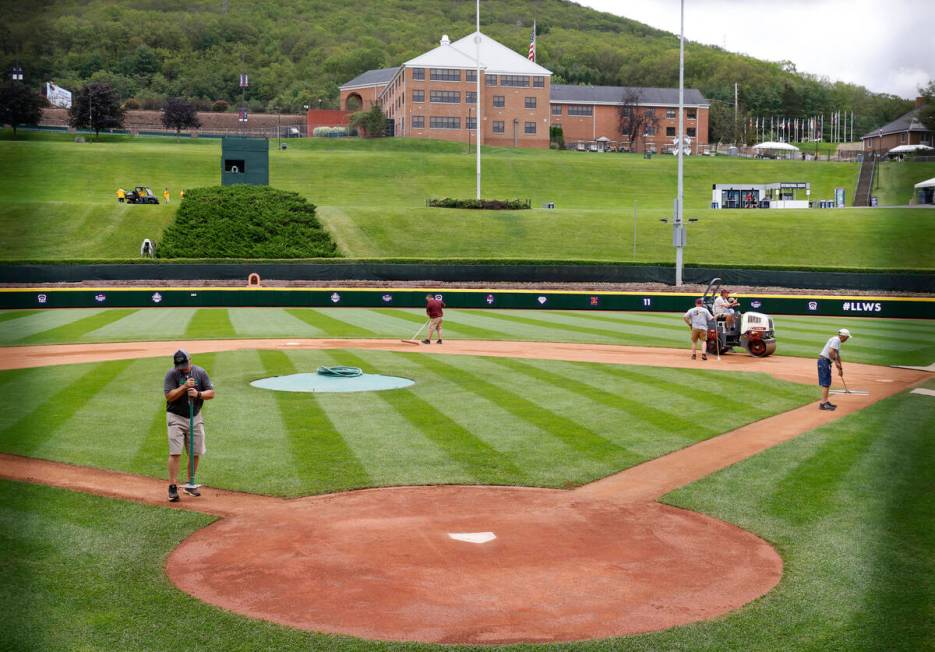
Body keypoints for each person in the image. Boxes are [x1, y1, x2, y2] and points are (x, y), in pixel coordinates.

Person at [164, 350, 214, 502]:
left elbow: (211, 393)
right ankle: (172, 486)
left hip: (195, 416)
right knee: (175, 452)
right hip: (176, 416)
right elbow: (169, 396)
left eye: (185, 364)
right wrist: (184, 387)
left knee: (195, 451)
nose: (183, 368)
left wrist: (198, 394)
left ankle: (190, 484)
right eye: (180, 365)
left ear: (190, 360)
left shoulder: (200, 372)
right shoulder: (171, 374)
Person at [817, 328, 850, 411]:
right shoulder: (836, 340)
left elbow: (837, 355)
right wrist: (835, 361)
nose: (847, 339)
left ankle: (826, 401)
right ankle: (823, 404)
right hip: (824, 361)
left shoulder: (837, 341)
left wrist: (840, 369)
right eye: (847, 337)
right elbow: (831, 352)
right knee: (826, 383)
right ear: (843, 336)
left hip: (825, 362)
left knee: (827, 382)